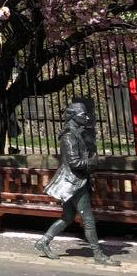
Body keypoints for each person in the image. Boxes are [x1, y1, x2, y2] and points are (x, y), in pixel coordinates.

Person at [34, 101, 119, 266]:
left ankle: (43, 242)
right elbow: (74, 163)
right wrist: (92, 162)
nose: (87, 117)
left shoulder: (76, 133)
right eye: (83, 114)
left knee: (67, 217)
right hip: (75, 183)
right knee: (88, 220)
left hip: (74, 182)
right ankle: (98, 254)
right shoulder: (69, 136)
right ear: (73, 116)